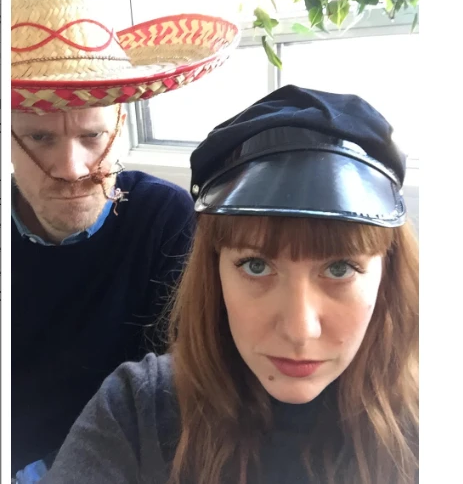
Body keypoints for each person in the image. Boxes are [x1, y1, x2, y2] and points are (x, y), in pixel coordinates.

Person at [41, 85, 419, 484]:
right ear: (214, 271)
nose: (299, 330)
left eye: (340, 268)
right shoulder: (136, 412)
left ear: (388, 274)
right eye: (256, 265)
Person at [10, 0, 239, 478]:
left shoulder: (166, 222)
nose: (72, 168)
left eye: (92, 135)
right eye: (40, 137)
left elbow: (183, 390)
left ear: (120, 129)